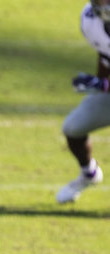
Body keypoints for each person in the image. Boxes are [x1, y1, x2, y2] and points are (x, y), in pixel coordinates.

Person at [56, 0, 110, 203]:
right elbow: (105, 53)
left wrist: (103, 85)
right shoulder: (90, 21)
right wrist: (100, 82)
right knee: (73, 127)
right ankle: (89, 173)